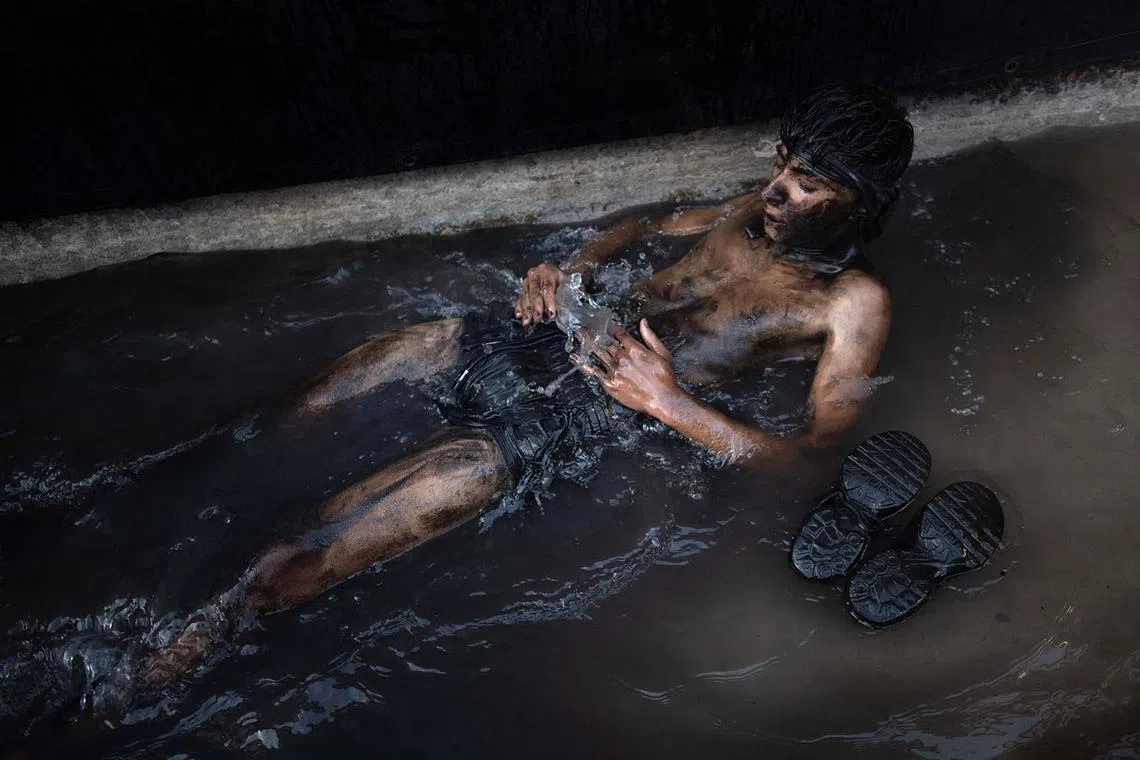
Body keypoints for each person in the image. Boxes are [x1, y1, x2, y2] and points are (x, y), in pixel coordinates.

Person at [140, 82, 914, 685]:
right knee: (293, 410)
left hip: (568, 415)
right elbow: (642, 230)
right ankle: (163, 477)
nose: (776, 188)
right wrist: (566, 269)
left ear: (858, 199)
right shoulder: (755, 209)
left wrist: (668, 403)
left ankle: (147, 681)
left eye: (806, 182)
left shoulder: (854, 304)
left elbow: (816, 462)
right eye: (781, 163)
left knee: (291, 563)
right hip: (533, 333)